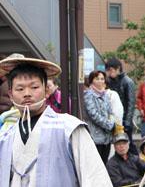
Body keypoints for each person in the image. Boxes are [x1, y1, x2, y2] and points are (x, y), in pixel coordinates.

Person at [0, 53, 113, 186]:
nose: (27, 94)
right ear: (10, 95)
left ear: (46, 91)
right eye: (20, 88)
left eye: (34, 87)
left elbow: (95, 178)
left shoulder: (69, 128)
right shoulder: (5, 136)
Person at [105, 57, 137, 154]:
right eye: (108, 70)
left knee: (128, 144)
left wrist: (127, 122)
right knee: (116, 145)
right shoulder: (108, 82)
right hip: (113, 119)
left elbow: (131, 103)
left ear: (118, 68)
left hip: (125, 119)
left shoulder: (127, 82)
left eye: (111, 69)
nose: (110, 72)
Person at [83, 70, 116, 164]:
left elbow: (111, 112)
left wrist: (111, 121)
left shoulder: (105, 95)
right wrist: (108, 124)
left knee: (105, 162)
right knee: (96, 164)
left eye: (102, 79)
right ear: (91, 81)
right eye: (97, 79)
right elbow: (93, 115)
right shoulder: (88, 95)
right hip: (95, 136)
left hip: (107, 137)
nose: (100, 81)